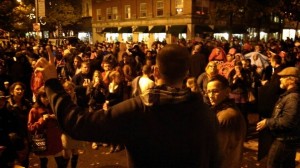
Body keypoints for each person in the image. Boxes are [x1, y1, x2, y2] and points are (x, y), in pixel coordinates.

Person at [35, 44, 221, 167]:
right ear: (186, 72)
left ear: (155, 71)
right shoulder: (206, 113)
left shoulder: (138, 111)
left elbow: (77, 124)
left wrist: (52, 82)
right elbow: (215, 160)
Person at [256, 67, 300, 168]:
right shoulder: (290, 96)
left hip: (283, 141)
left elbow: (288, 121)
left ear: (291, 80)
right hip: (286, 140)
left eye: (283, 77)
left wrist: (267, 122)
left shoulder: (293, 98)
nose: (280, 79)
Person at [206, 75, 246, 168]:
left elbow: (218, 150)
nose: (211, 96)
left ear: (227, 91)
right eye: (208, 92)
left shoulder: (226, 116)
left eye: (215, 91)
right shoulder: (225, 109)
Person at [27, 88, 66, 168]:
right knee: (44, 162)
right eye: (44, 97)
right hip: (42, 140)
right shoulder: (34, 110)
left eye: (48, 97)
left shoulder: (53, 108)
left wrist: (56, 118)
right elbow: (30, 128)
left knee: (61, 162)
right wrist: (42, 120)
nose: (47, 99)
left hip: (55, 139)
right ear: (39, 97)